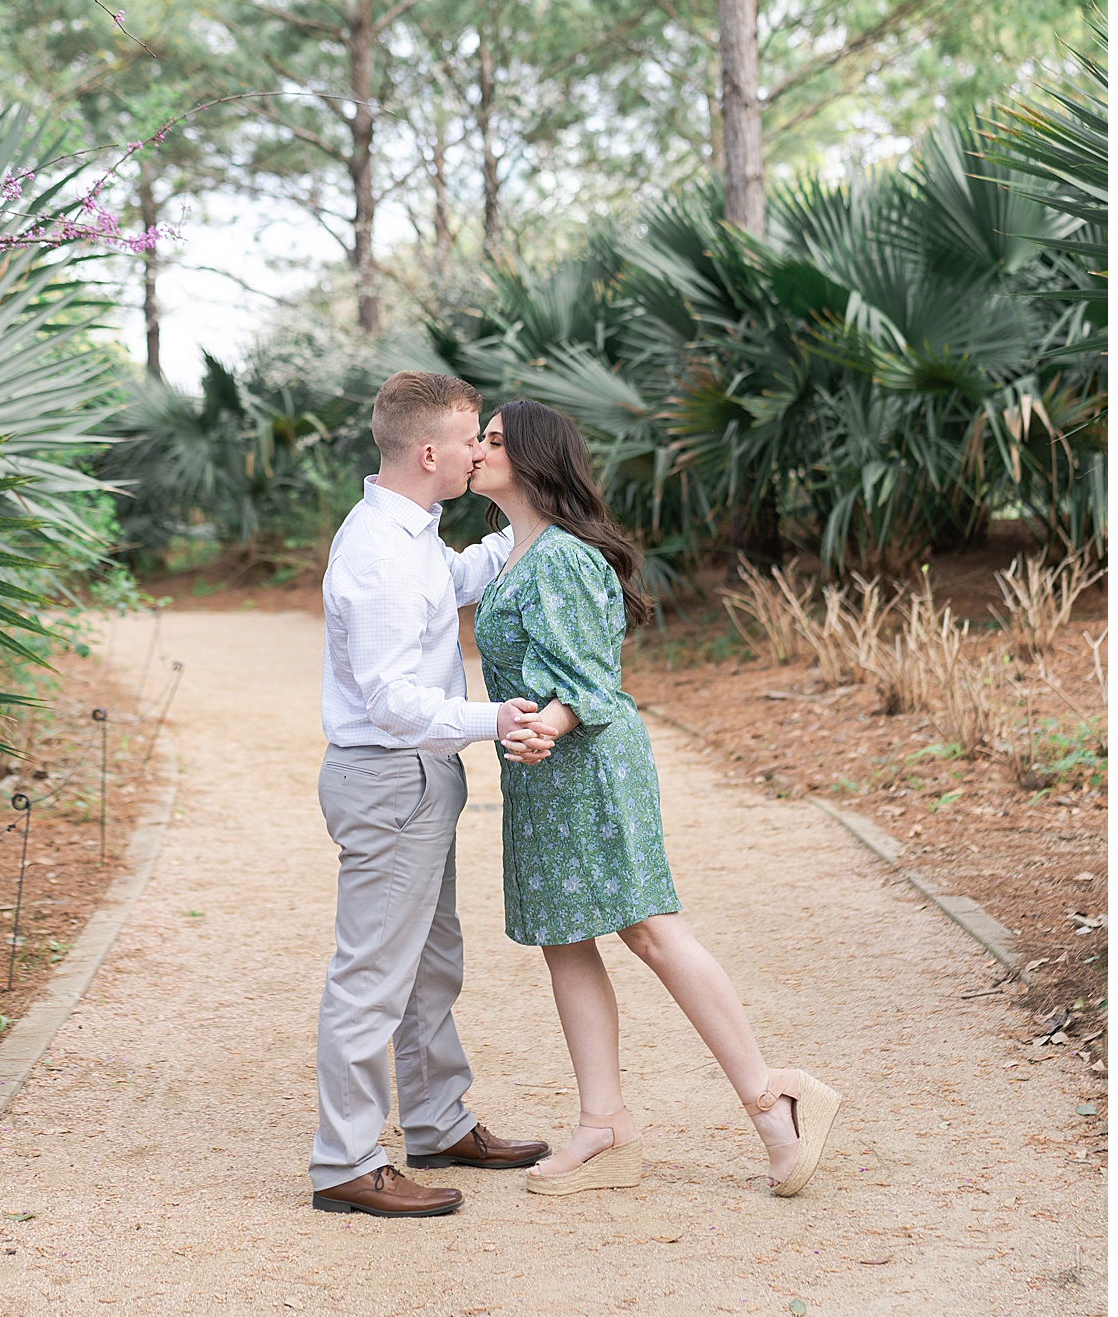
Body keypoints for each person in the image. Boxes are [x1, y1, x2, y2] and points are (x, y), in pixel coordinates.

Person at [470, 399, 841, 1198]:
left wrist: (547, 727)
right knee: (563, 937)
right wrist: (534, 737)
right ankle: (604, 1124)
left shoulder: (562, 556)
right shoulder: (514, 554)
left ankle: (772, 1101)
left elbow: (592, 679)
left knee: (651, 929)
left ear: (534, 458)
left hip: (588, 760)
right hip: (542, 768)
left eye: (493, 440)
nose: (476, 449)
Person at [308, 372, 554, 1219]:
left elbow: (452, 582)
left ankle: (439, 1121)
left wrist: (533, 522)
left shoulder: (408, 531)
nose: (480, 451)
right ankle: (343, 1161)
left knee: (429, 966)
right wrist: (492, 718)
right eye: (469, 441)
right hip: (389, 776)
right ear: (428, 453)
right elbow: (388, 699)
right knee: (373, 976)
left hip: (414, 778)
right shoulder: (377, 555)